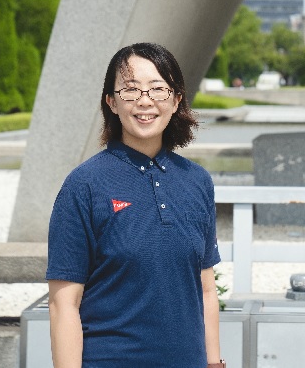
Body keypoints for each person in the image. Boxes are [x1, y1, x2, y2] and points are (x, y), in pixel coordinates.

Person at [46, 42, 224, 368]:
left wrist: (214, 364)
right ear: (111, 103)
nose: (144, 101)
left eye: (158, 89)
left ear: (176, 99)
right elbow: (63, 304)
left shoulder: (197, 182)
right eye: (130, 91)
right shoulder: (84, 185)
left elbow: (207, 291)